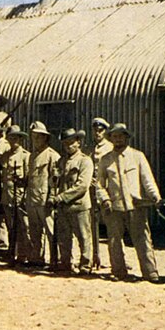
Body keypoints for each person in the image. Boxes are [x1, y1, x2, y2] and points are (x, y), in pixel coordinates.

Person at [96, 123, 161, 282]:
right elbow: (99, 184)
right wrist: (104, 199)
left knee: (143, 239)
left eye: (120, 136)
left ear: (127, 137)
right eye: (114, 136)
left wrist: (155, 196)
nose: (117, 139)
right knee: (114, 240)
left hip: (135, 206)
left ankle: (150, 272)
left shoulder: (137, 156)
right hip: (114, 207)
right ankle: (118, 271)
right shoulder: (105, 160)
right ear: (110, 138)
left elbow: (147, 179)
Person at [49, 128, 94, 274]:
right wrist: (54, 178)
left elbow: (82, 186)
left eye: (71, 142)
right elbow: (53, 184)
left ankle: (85, 266)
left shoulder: (85, 161)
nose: (68, 146)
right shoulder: (60, 161)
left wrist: (61, 197)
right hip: (62, 207)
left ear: (78, 143)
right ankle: (66, 263)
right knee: (64, 238)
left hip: (79, 206)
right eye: (65, 143)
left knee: (84, 237)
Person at [24, 121, 60, 266]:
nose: (36, 140)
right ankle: (36, 258)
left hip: (45, 200)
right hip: (32, 198)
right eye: (34, 137)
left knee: (51, 232)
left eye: (39, 137)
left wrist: (52, 197)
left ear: (45, 138)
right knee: (34, 231)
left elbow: (55, 180)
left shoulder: (52, 156)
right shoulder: (32, 156)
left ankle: (54, 260)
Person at [84, 117, 113, 269]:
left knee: (111, 226)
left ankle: (114, 259)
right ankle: (95, 257)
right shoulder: (88, 149)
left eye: (100, 130)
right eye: (95, 130)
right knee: (91, 226)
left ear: (105, 131)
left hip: (106, 191)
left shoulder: (110, 148)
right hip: (91, 190)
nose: (97, 133)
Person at [0, 125, 30, 253]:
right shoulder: (4, 156)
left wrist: (25, 195)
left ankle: (27, 254)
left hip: (20, 196)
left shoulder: (25, 156)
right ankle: (14, 252)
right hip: (7, 196)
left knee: (24, 226)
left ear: (20, 139)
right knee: (11, 226)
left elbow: (28, 178)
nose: (13, 141)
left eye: (16, 138)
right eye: (11, 138)